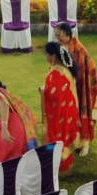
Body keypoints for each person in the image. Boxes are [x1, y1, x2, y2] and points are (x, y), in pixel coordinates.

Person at [57, 23, 97, 156]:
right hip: (73, 87)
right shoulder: (64, 46)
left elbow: (84, 71)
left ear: (67, 34)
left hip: (85, 88)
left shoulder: (78, 50)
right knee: (72, 114)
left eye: (59, 35)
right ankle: (76, 142)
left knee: (85, 114)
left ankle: (85, 144)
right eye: (56, 35)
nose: (57, 38)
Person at [0, 75, 37, 165]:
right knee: (15, 163)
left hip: (10, 131)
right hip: (18, 129)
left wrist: (4, 129)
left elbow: (5, 104)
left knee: (3, 163)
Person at [40, 41, 79, 174]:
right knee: (65, 136)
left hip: (59, 113)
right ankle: (66, 167)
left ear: (53, 56)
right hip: (68, 110)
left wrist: (43, 91)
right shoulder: (65, 69)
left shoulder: (56, 73)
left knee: (57, 137)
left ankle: (59, 169)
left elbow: (55, 96)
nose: (46, 57)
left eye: (47, 54)